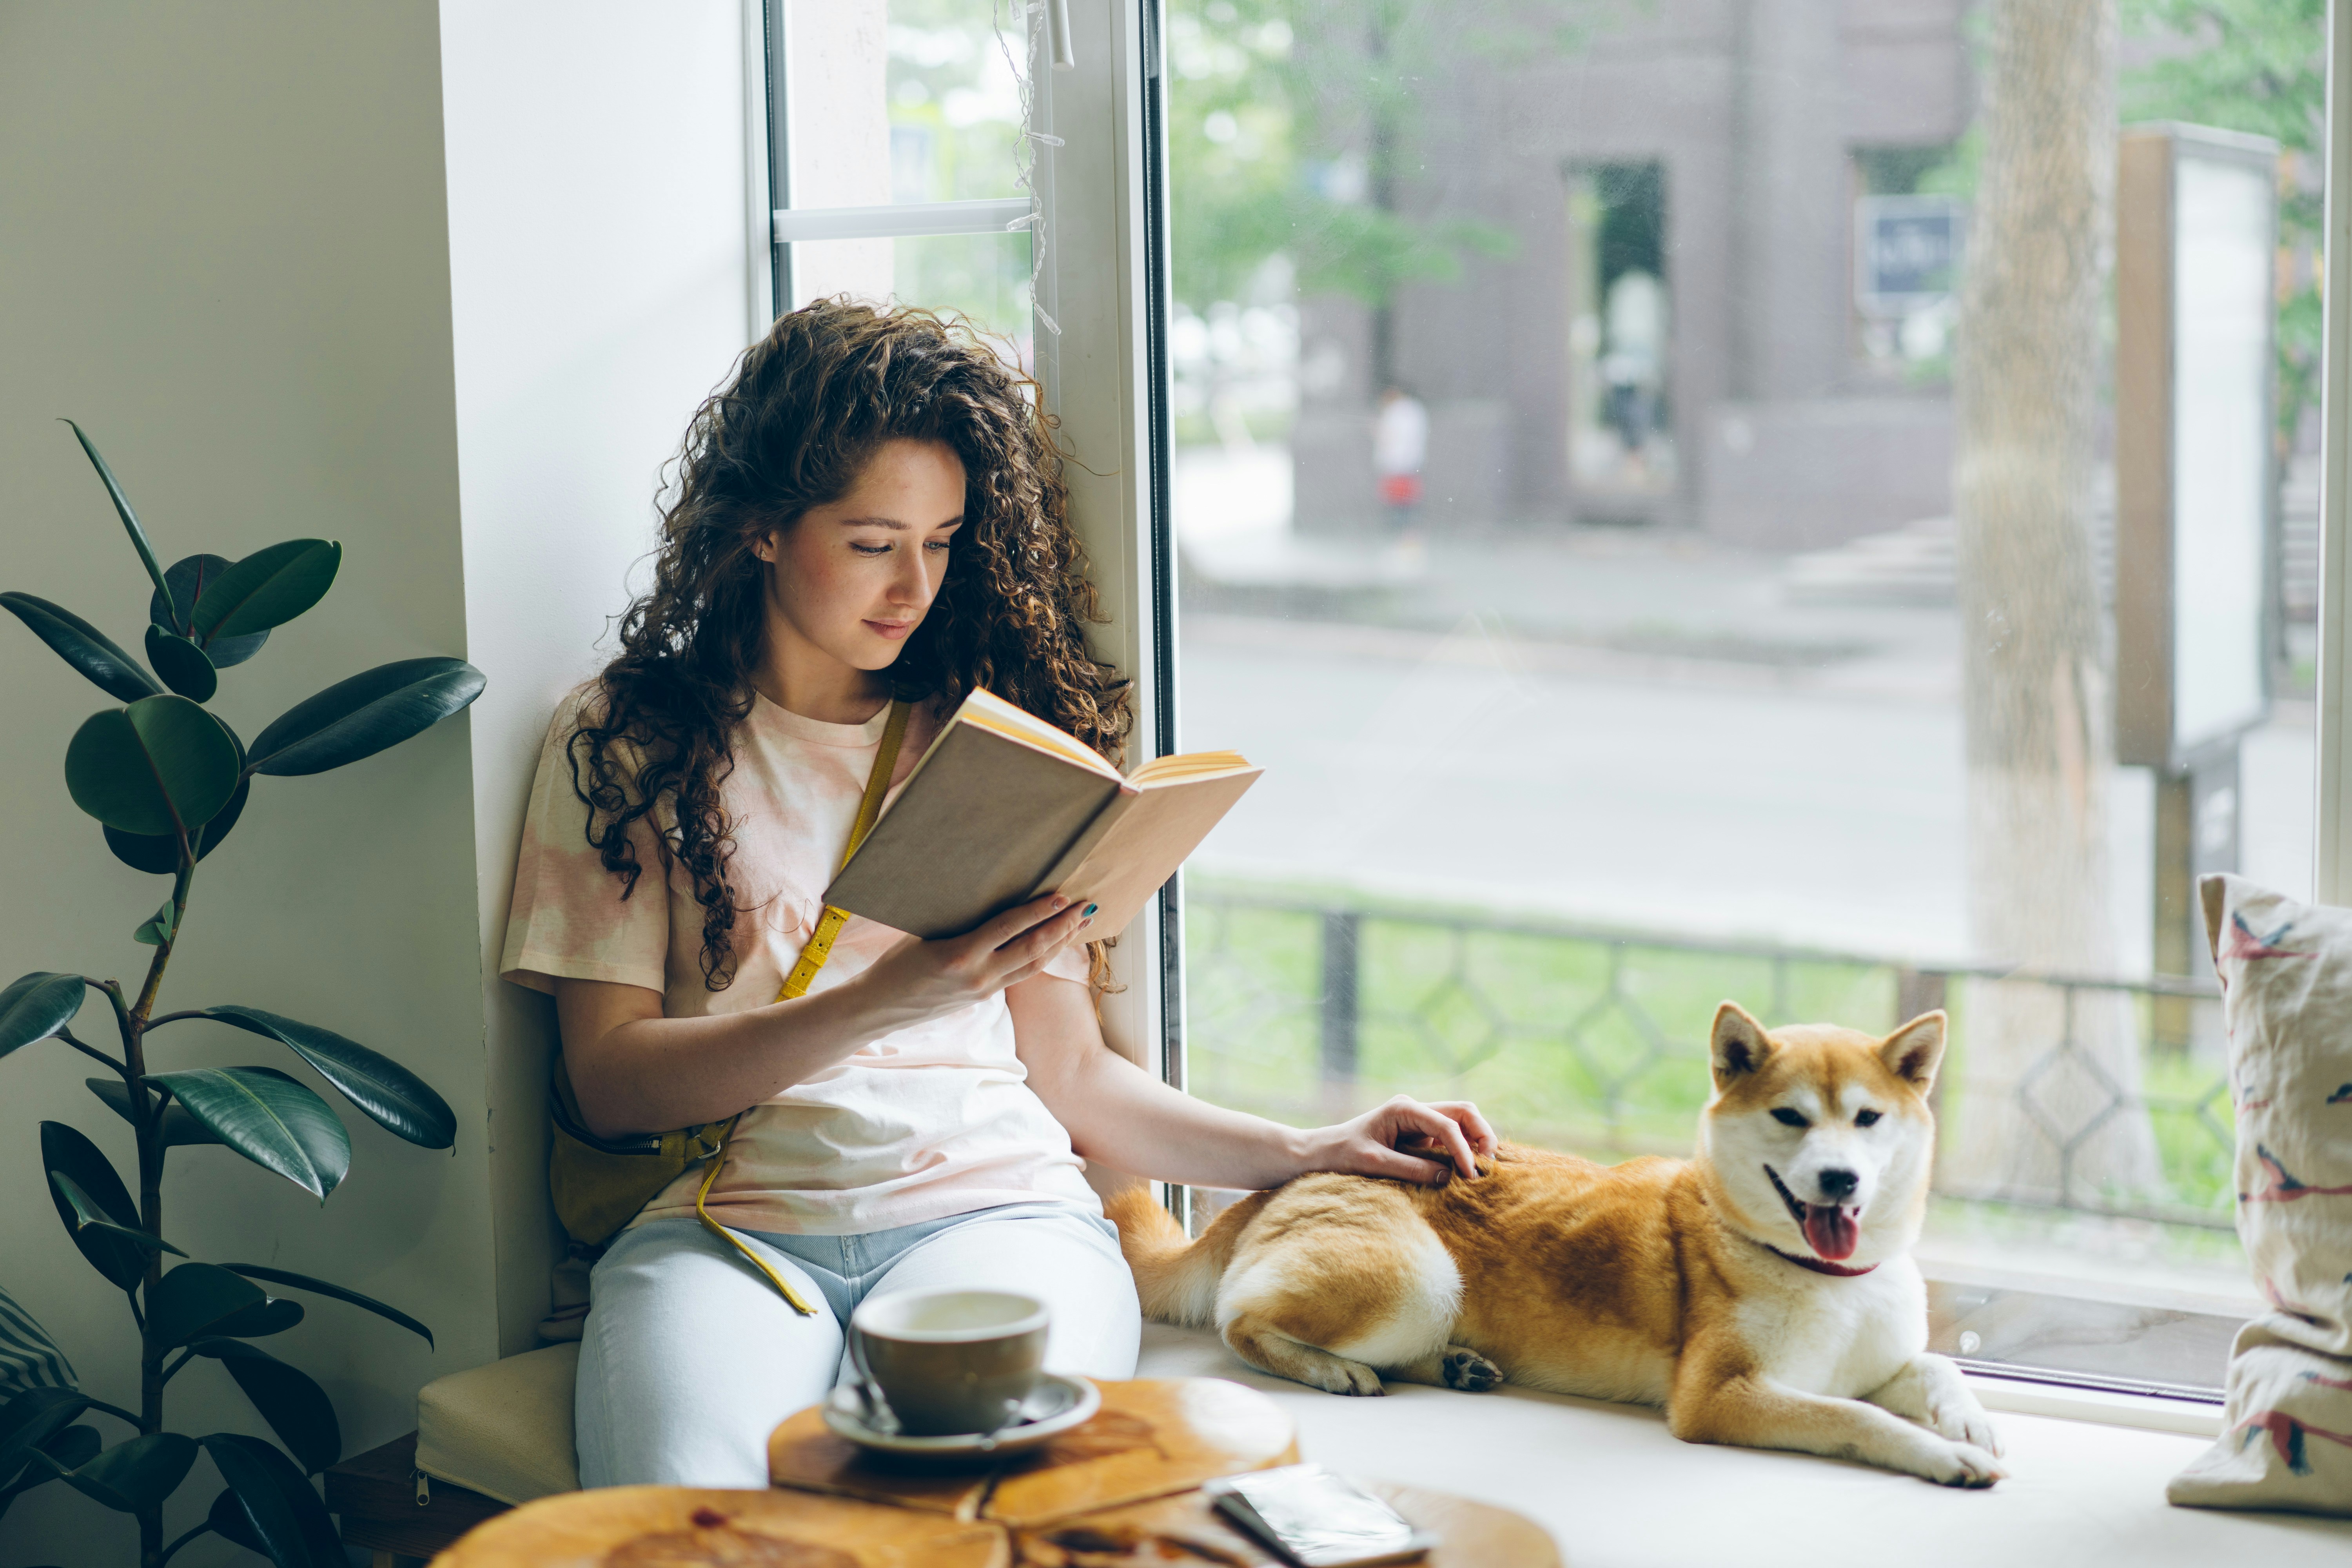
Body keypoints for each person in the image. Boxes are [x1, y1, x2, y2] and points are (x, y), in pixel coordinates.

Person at [499, 300, 1496, 1488]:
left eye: (943, 538)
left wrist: (1305, 1145)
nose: (911, 583)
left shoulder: (982, 749)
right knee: (690, 1503)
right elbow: (607, 1086)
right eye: (871, 541)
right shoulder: (629, 740)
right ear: (763, 528)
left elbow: (1072, 1080)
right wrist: (886, 998)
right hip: (727, 1228)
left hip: (1000, 1214)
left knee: (982, 1501)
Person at [1372, 384, 1428, 535]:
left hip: (1398, 465)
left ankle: (1402, 536)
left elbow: (1391, 437)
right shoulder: (1415, 410)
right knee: (1406, 504)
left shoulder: (1398, 412)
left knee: (1399, 505)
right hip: (1409, 464)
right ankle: (1407, 536)